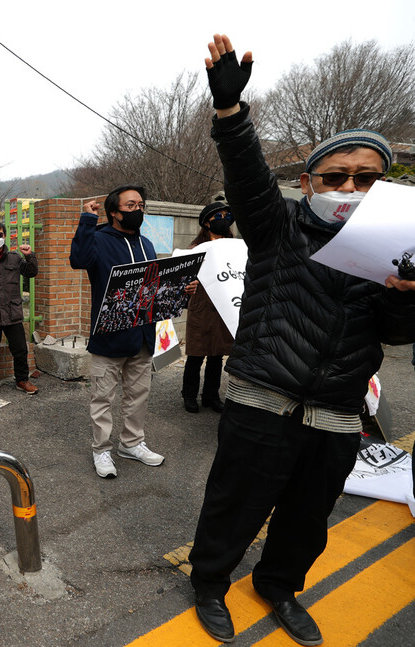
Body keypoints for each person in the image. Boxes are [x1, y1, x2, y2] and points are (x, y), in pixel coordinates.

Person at [188, 34, 415, 646]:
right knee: (236, 502)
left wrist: (404, 293)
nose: (349, 187)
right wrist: (231, 114)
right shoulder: (277, 226)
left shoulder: (398, 246)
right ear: (310, 180)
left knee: (308, 519)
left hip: (337, 412)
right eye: (336, 175)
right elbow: (247, 175)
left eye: (366, 178)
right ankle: (209, 582)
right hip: (264, 397)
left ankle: (279, 585)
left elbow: (396, 335)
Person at [69, 186, 165, 479]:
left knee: (138, 395)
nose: (138, 209)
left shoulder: (147, 244)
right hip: (109, 337)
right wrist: (86, 221)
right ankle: (101, 450)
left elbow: (154, 287)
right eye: (131, 204)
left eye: (141, 204)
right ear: (114, 211)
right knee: (103, 398)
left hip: (143, 336)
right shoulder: (97, 239)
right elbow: (79, 260)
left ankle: (132, 443)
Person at [181, 202, 235, 414]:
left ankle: (211, 395)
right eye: (218, 216)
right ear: (206, 222)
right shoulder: (196, 248)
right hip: (202, 306)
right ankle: (189, 395)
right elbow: (184, 277)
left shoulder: (234, 247)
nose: (223, 219)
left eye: (226, 215)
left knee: (217, 355)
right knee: (196, 354)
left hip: (224, 305)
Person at [0, 221, 39, 394]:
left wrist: (30, 256)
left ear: (5, 236)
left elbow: (31, 272)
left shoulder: (14, 258)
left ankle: (22, 380)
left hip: (12, 313)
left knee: (20, 349)